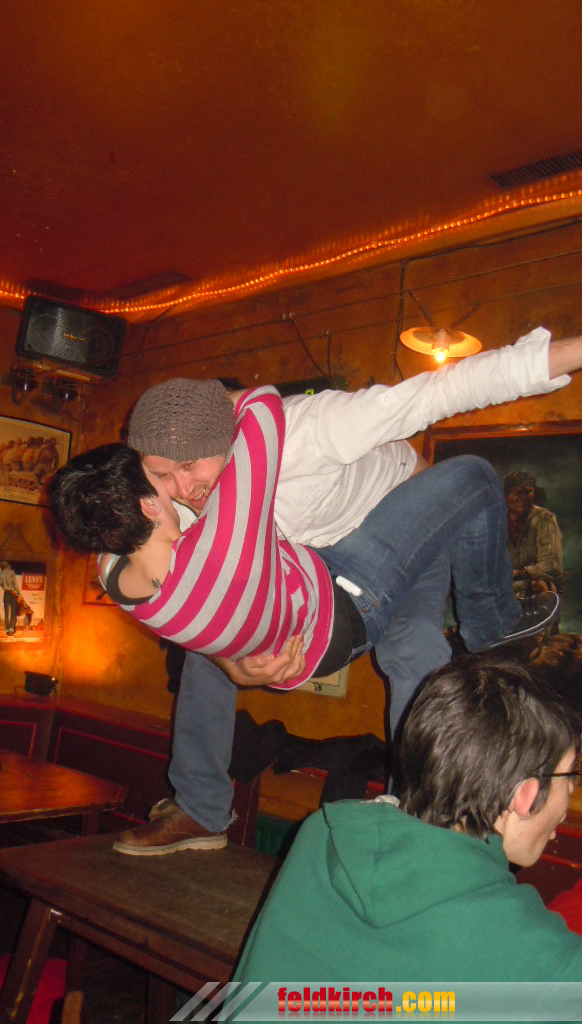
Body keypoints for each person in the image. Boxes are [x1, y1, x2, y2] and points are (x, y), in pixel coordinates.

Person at [106, 326, 582, 855]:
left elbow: (440, 391)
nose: (183, 489)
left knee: (414, 651)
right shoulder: (177, 504)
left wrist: (567, 352)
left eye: (190, 466)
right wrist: (235, 664)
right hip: (313, 565)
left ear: (228, 438)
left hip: (397, 518)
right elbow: (190, 606)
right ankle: (200, 808)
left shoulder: (308, 430)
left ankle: (418, 815)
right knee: (207, 645)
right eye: (162, 475)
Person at [231, 655, 582, 994]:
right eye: (570, 777)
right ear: (525, 795)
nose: (569, 797)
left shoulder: (324, 834)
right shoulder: (550, 967)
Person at [504, 470, 563, 599]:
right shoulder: (495, 521)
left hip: (534, 589)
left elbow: (551, 564)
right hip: (502, 588)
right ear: (506, 495)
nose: (523, 498)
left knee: (540, 586)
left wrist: (521, 573)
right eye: (517, 493)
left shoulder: (545, 519)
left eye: (528, 492)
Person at [0, 560, 20, 637]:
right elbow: (15, 584)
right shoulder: (11, 572)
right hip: (13, 593)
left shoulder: (0, 575)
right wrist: (19, 594)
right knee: (13, 613)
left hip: (6, 594)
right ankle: (11, 630)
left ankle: (7, 630)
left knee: (6, 612)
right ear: (7, 566)